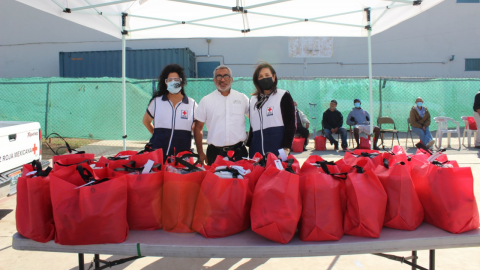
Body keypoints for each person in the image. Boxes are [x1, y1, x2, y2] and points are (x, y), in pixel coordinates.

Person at [194, 65, 249, 165]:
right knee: (216, 180)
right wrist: (200, 152)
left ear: (231, 79)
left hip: (239, 153)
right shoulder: (206, 101)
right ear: (214, 80)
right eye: (219, 76)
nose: (222, 79)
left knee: (241, 180)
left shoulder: (242, 98)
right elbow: (198, 128)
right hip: (214, 154)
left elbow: (255, 120)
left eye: (226, 76)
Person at [143, 64, 197, 159]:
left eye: (176, 79)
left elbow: (197, 128)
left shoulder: (192, 104)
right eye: (169, 80)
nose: (173, 82)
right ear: (165, 82)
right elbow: (146, 121)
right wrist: (157, 136)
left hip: (183, 156)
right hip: (158, 154)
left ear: (181, 82)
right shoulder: (156, 102)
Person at [246, 62, 296, 158]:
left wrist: (285, 150)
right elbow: (253, 126)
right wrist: (249, 147)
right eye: (260, 76)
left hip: (279, 151)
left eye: (267, 75)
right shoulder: (253, 100)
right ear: (257, 80)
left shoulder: (283, 95)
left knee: (279, 171)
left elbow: (291, 125)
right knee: (256, 172)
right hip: (256, 151)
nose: (264, 78)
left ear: (274, 77)